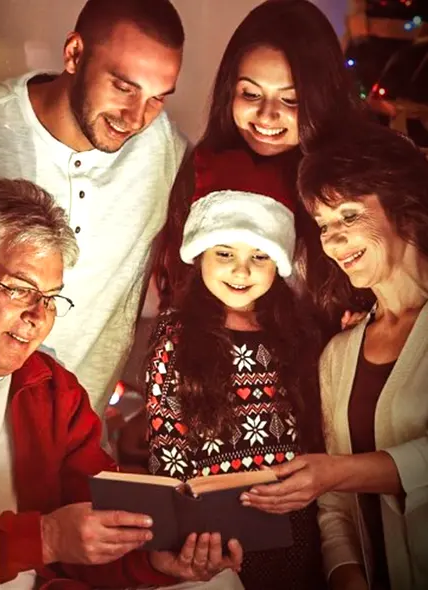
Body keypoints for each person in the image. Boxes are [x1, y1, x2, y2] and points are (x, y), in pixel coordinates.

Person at [0, 178, 242, 588]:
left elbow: (90, 533)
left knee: (217, 583)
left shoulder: (54, 389)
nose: (37, 316)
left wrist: (155, 561)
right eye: (20, 290)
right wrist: (46, 538)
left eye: (50, 298)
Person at [0, 0, 187, 415]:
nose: (136, 118)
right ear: (74, 54)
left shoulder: (164, 150)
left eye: (157, 98)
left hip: (78, 436)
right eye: (123, 87)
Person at [242, 123, 428, 590]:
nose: (333, 240)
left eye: (349, 215)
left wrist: (337, 473)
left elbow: (334, 477)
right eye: (324, 224)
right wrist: (346, 576)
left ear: (404, 207)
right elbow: (335, 506)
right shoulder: (339, 355)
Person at [145, 149, 326, 589]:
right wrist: (172, 533)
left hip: (296, 524)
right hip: (214, 534)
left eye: (260, 256)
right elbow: (166, 445)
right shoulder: (175, 335)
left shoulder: (298, 331)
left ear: (279, 262)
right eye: (225, 252)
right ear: (200, 254)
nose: (241, 271)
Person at [150, 0, 371, 339]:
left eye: (290, 99)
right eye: (251, 94)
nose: (267, 115)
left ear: (322, 99)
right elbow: (179, 292)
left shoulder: (355, 191)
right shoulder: (201, 178)